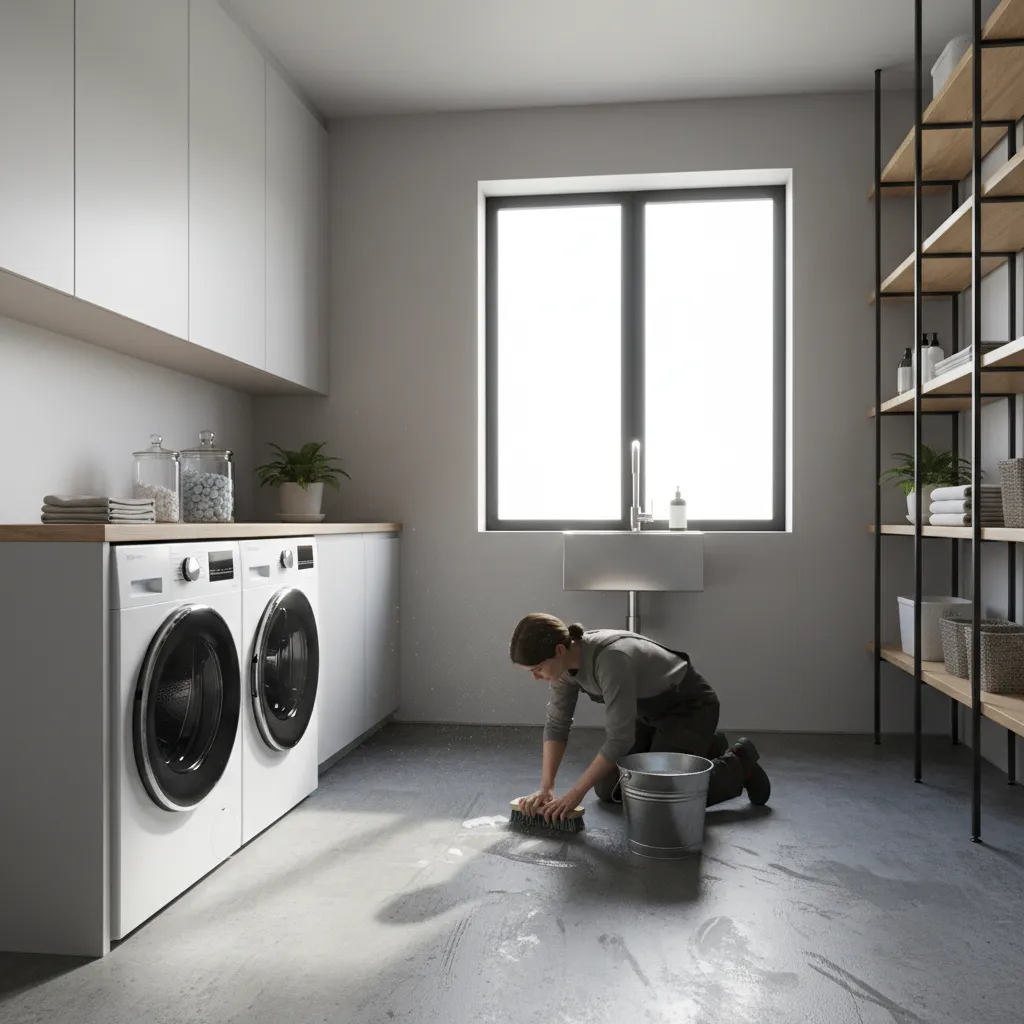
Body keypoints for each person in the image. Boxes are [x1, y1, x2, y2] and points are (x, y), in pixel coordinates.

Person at [508, 613, 771, 821]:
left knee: (655, 801)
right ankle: (706, 746)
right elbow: (557, 724)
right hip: (647, 716)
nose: (536, 677)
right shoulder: (562, 668)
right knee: (609, 789)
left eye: (537, 669)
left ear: (558, 650)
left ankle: (740, 762)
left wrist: (575, 794)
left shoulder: (611, 659)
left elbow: (619, 740)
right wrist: (546, 788)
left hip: (689, 709)